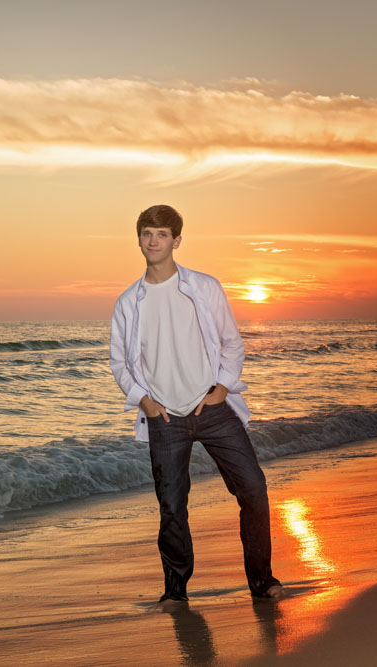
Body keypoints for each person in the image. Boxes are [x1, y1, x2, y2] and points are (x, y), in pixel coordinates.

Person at [108, 204, 282, 603]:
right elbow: (119, 361)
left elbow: (231, 343)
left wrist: (221, 388)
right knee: (171, 506)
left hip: (214, 409)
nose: (153, 241)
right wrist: (145, 403)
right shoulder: (127, 303)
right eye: (147, 233)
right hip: (164, 416)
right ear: (138, 239)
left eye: (162, 234)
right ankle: (176, 591)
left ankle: (262, 580)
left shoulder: (204, 287)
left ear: (176, 241)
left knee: (253, 488)